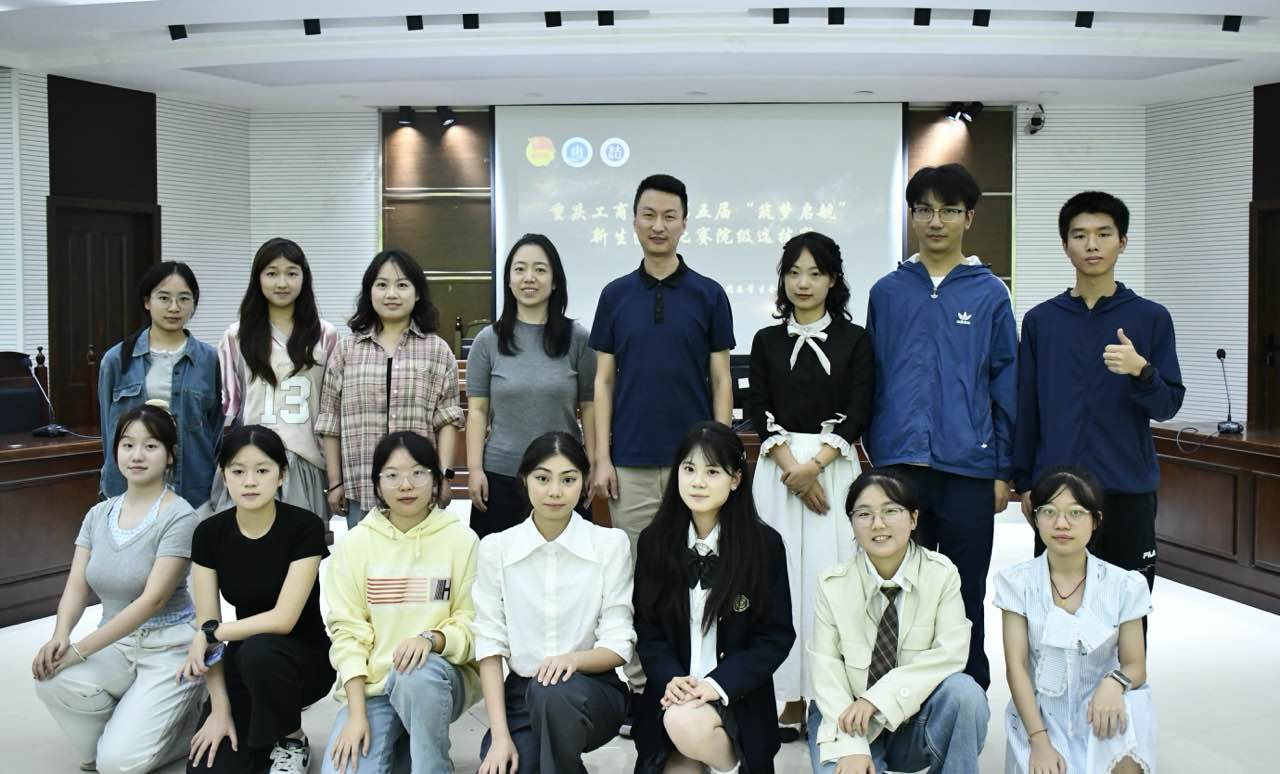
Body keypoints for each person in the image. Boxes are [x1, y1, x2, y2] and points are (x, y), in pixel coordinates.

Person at [863, 163, 1018, 690]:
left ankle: (967, 696)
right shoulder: (887, 291)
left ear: (968, 217)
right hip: (898, 466)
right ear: (911, 215)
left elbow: (1006, 383)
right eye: (924, 209)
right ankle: (901, 700)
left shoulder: (990, 294)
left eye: (949, 210)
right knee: (898, 591)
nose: (935, 221)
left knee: (964, 591)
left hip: (969, 468)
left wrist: (1002, 469)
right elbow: (872, 375)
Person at [1013, 192, 1184, 591]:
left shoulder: (1151, 317)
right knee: (1057, 605)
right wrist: (1025, 481)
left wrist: (1141, 370)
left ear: (1122, 242)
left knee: (1128, 606)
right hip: (1058, 491)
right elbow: (1027, 408)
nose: (1092, 245)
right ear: (1065, 245)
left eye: (1104, 234)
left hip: (1127, 488)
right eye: (1080, 235)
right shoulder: (1041, 321)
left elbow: (1168, 405)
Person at [746, 230, 874, 736]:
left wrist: (814, 467)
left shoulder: (855, 340)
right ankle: (788, 696)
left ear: (833, 280)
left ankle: (829, 695)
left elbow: (859, 410)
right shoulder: (765, 340)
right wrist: (791, 469)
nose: (803, 283)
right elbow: (758, 407)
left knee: (830, 580)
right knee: (778, 582)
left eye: (815, 273)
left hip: (833, 467)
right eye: (794, 272)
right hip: (778, 470)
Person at [33, 403, 204, 774]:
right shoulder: (99, 514)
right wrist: (61, 636)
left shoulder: (181, 516)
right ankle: (132, 723)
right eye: (127, 445)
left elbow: (153, 600)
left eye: (150, 446)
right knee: (50, 678)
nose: (137, 455)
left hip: (168, 649)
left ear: (170, 455)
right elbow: (76, 586)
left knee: (117, 764)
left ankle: (187, 721)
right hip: (116, 644)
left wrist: (80, 650)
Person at [632, 421, 794, 774]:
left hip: (736, 696)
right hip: (673, 696)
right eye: (689, 469)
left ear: (735, 479)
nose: (698, 482)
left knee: (686, 722)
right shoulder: (654, 541)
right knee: (681, 722)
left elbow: (776, 636)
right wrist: (671, 677)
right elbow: (647, 627)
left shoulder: (763, 546)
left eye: (712, 471)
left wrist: (717, 685)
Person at [589, 173, 735, 555]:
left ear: (684, 223)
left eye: (669, 216)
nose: (658, 226)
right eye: (649, 215)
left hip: (695, 463)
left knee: (696, 563)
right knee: (637, 566)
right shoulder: (614, 295)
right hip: (629, 462)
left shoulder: (710, 294)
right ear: (634, 220)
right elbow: (603, 382)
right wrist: (602, 459)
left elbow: (722, 380)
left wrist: (721, 455)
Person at [806, 469, 988, 774]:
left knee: (965, 694)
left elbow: (951, 653)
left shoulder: (941, 575)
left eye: (891, 511)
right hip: (846, 717)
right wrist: (851, 746)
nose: (878, 524)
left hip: (912, 717)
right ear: (851, 522)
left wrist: (877, 700)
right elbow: (825, 670)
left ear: (914, 518)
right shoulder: (832, 584)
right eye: (864, 514)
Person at [473, 432, 634, 774]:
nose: (555, 491)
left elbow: (620, 643)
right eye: (543, 479)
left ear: (584, 482)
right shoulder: (496, 549)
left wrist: (571, 660)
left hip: (591, 690)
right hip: (522, 696)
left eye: (568, 479)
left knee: (554, 692)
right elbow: (489, 646)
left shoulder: (609, 545)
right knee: (506, 765)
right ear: (524, 480)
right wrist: (500, 736)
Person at [322, 431, 480, 774]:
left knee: (416, 676)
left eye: (418, 473)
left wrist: (432, 639)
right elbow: (347, 633)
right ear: (378, 485)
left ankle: (432, 765)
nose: (406, 485)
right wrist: (356, 714)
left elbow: (473, 623)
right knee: (342, 769)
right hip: (375, 690)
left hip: (437, 680)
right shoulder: (356, 544)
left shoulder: (461, 540)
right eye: (392, 475)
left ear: (436, 480)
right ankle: (406, 749)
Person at [179, 425, 334, 774]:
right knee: (208, 769)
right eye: (238, 471)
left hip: (304, 660)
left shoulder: (304, 527)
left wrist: (211, 633)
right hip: (244, 662)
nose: (250, 482)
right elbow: (207, 626)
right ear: (224, 476)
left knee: (260, 650)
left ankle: (292, 739)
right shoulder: (209, 534)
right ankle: (259, 734)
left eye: (262, 470)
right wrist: (220, 709)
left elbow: (282, 620)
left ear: (281, 475)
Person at [997, 467, 1154, 774]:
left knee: (1132, 705)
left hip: (1102, 705)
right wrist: (1039, 741)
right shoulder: (1016, 582)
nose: (1061, 524)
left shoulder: (1125, 585)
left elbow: (1136, 666)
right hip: (1041, 715)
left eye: (1075, 513)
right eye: (1049, 512)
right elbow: (1017, 668)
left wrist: (1114, 683)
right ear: (1035, 518)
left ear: (1096, 520)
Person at [316, 249, 464, 528]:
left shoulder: (437, 350)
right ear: (369, 292)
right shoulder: (346, 350)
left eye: (402, 285)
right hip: (362, 487)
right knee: (365, 556)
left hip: (419, 488)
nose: (391, 294)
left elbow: (447, 419)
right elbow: (330, 421)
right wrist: (335, 482)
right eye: (382, 285)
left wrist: (444, 477)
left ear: (417, 294)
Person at [466, 233, 597, 538]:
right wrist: (475, 470)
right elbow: (477, 412)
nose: (529, 278)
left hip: (563, 479)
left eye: (540, 269)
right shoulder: (487, 341)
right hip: (501, 477)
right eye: (520, 269)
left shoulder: (578, 339)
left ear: (555, 281)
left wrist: (592, 463)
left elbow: (590, 407)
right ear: (509, 280)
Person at [214, 237, 340, 519]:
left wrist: (335, 475)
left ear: (304, 278)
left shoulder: (325, 334)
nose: (282, 283)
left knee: (303, 541)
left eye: (291, 273)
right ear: (258, 278)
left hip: (306, 459)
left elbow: (331, 406)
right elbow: (229, 407)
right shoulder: (236, 336)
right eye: (272, 273)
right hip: (251, 459)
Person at [98, 261, 223, 511]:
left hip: (193, 491)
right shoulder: (116, 360)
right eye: (164, 298)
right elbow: (108, 431)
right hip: (128, 491)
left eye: (184, 299)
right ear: (147, 301)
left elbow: (215, 430)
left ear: (194, 303)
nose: (174, 308)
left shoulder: (209, 360)